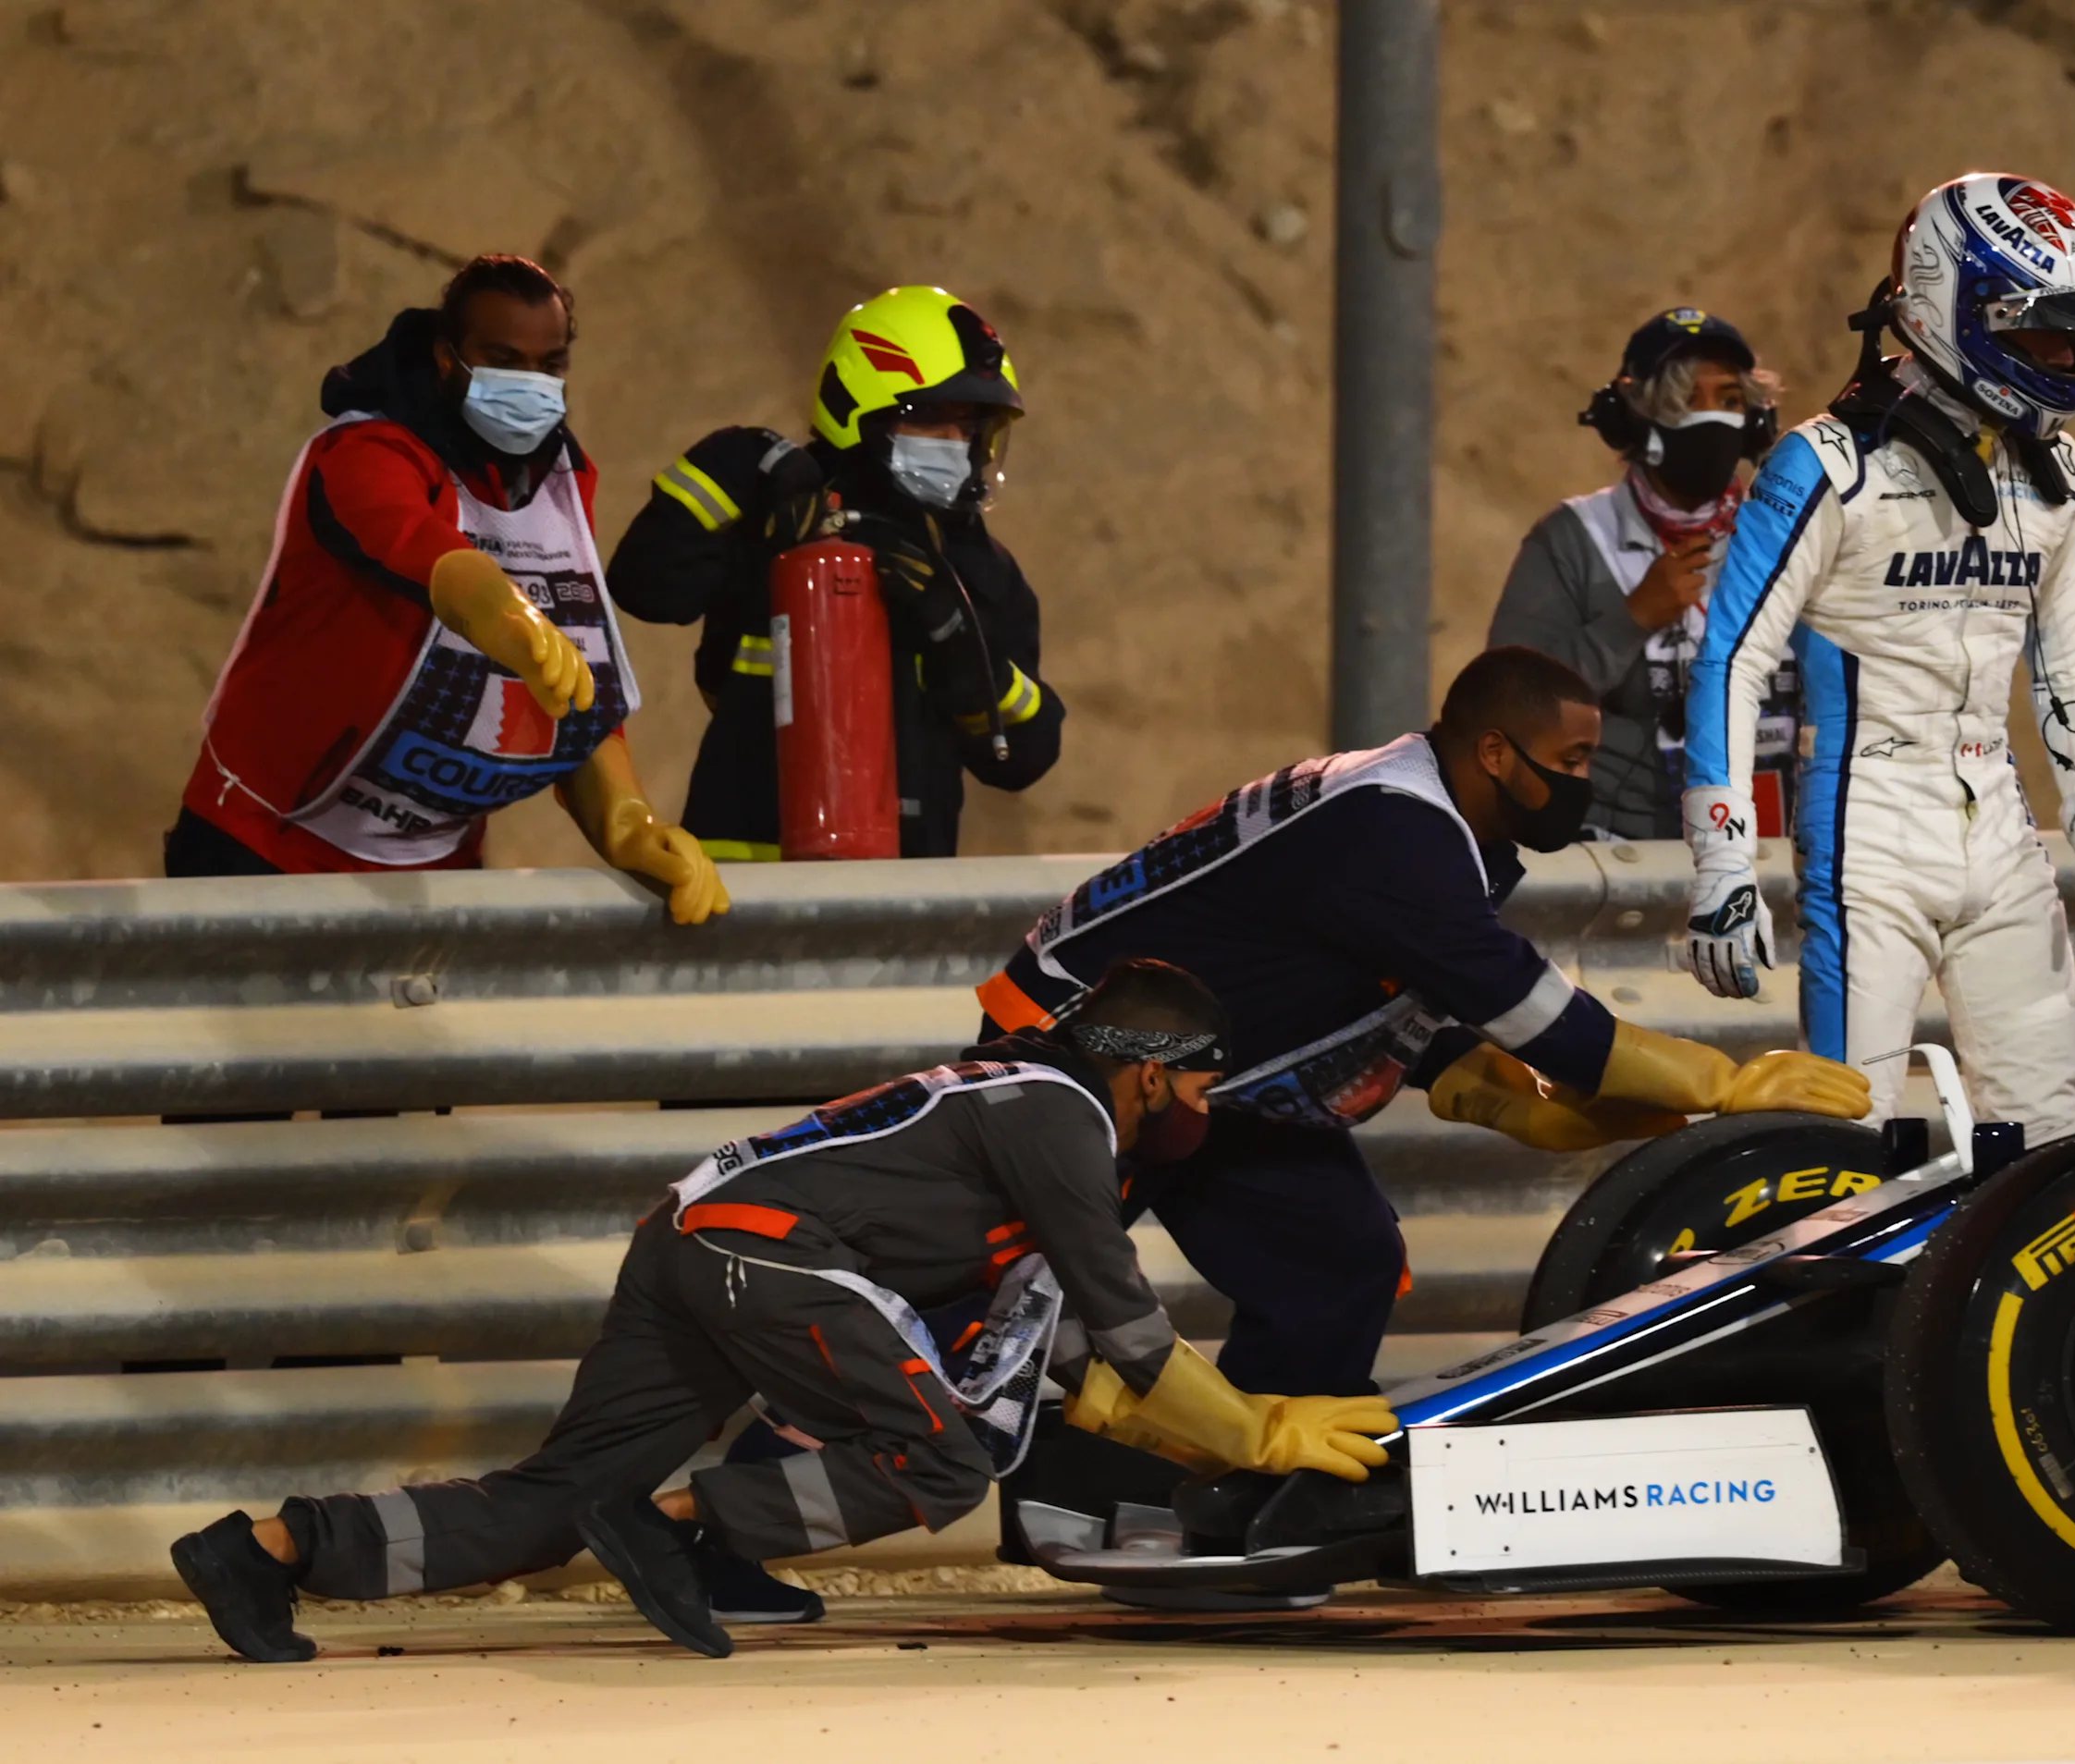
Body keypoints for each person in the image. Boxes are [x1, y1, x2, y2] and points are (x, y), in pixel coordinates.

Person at [166, 960, 1397, 1663]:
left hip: (696, 1243)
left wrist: (1241, 1416)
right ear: (1146, 1070)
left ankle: (266, 1554)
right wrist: (1257, 1438)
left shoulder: (1018, 1113)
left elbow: (1080, 1363)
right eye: (1194, 1081)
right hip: (767, 1257)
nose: (1197, 1105)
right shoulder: (1062, 1117)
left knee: (553, 1503)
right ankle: (687, 1527)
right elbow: (1131, 1332)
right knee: (941, 1463)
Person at [975, 645, 1872, 1400]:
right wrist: (1722, 1081)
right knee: (1005, 1303)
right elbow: (1526, 1006)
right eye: (1567, 763)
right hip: (1084, 1047)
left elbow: (1365, 981)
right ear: (1493, 752)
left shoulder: (1424, 824)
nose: (1582, 786)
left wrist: (1485, 1093)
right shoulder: (1392, 828)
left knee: (1340, 1259)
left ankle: (1247, 1501)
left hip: (1211, 1078)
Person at [1680, 173, 2075, 1141]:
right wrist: (1722, 861)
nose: (2069, 357)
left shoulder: (2055, 472)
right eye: (2043, 332)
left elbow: (2070, 654)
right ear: (1956, 310)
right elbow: (1729, 657)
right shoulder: (1823, 464)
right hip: (1863, 833)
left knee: (2050, 1141)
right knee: (1844, 1137)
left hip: (2002, 833)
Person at [169, 254, 726, 923]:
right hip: (266, 844)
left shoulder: (559, 480)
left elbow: (575, 678)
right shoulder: (366, 452)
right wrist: (505, 614)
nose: (529, 383)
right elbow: (417, 546)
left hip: (432, 865)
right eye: (502, 358)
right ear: (446, 357)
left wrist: (627, 824)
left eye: (548, 365)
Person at [606, 286, 1062, 862]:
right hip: (745, 881)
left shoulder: (980, 570)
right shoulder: (776, 507)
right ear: (857, 407)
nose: (957, 446)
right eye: (931, 420)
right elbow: (646, 587)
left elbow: (1025, 756)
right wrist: (739, 471)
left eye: (971, 429)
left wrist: (959, 647)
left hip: (902, 896)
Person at [1487, 308, 1797, 841]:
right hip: (1617, 856)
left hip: (1770, 850)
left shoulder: (1789, 537)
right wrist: (1631, 619)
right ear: (1638, 419)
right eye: (1686, 400)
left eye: (1728, 400)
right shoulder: (1574, 540)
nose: (1714, 419)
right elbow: (1505, 710)